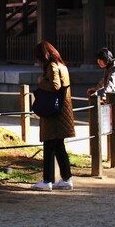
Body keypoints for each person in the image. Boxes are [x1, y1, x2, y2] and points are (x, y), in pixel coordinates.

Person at [32, 41, 75, 191]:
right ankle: (66, 178)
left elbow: (55, 86)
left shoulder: (52, 66)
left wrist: (41, 81)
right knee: (59, 146)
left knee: (49, 146)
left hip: (53, 114)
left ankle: (47, 180)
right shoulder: (62, 65)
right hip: (62, 112)